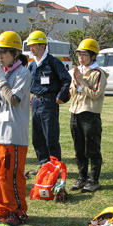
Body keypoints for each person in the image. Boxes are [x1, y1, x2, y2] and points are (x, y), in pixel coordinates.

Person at [0, 31, 31, 226]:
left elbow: (13, 99)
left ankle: (17, 211)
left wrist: (1, 80)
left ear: (15, 53)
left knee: (9, 176)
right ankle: (1, 209)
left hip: (12, 134)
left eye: (3, 53)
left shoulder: (23, 73)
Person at [26, 30, 71, 170]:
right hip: (36, 103)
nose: (31, 49)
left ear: (43, 46)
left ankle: (55, 167)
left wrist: (60, 97)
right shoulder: (32, 65)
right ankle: (44, 165)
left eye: (34, 45)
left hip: (49, 103)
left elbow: (67, 79)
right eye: (30, 46)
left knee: (51, 138)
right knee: (37, 138)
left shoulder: (53, 62)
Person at [68, 38, 108, 193]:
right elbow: (71, 92)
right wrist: (76, 82)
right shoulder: (78, 71)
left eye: (84, 55)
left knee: (92, 148)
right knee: (79, 148)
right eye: (79, 55)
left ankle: (94, 180)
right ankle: (82, 177)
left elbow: (96, 94)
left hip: (90, 114)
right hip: (75, 112)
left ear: (92, 56)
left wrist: (82, 82)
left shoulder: (98, 73)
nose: (81, 58)